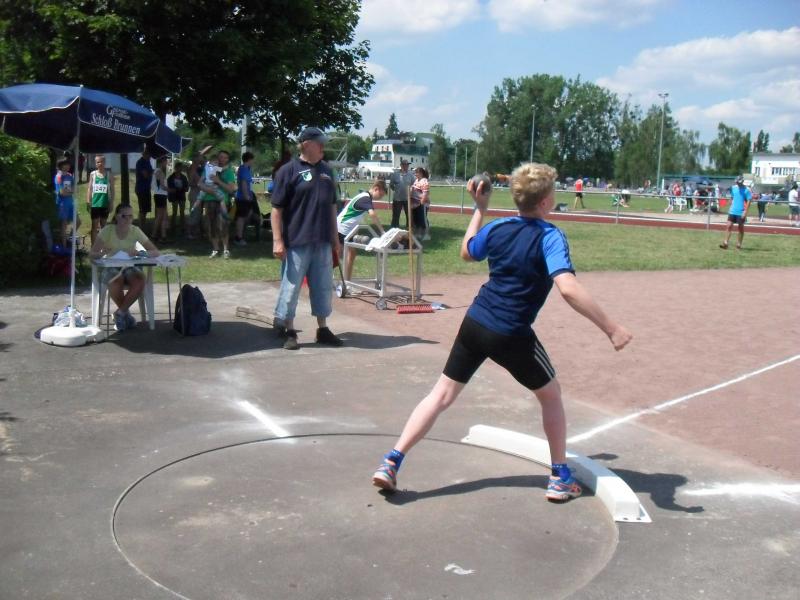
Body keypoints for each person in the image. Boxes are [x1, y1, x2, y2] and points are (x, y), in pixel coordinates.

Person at [371, 162, 633, 501]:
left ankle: (391, 461)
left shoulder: (499, 226)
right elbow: (567, 288)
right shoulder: (550, 236)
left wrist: (480, 211)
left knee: (441, 395)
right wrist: (611, 328)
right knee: (551, 395)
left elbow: (467, 251)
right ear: (544, 202)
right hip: (511, 333)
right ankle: (559, 476)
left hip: (476, 322)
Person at [271, 126, 342, 350]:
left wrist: (335, 238)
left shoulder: (327, 171)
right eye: (319, 142)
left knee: (322, 287)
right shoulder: (288, 171)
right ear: (306, 144)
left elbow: (332, 206)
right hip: (297, 240)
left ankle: (323, 328)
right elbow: (276, 209)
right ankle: (289, 329)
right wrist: (277, 241)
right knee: (291, 288)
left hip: (322, 240)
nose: (323, 146)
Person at [88, 204, 160, 332]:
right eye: (124, 216)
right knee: (116, 280)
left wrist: (139, 253)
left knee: (140, 280)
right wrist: (102, 253)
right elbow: (92, 254)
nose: (127, 219)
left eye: (130, 216)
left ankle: (120, 313)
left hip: (129, 266)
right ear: (116, 216)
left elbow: (155, 252)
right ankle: (125, 314)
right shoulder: (108, 230)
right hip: (111, 266)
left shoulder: (135, 230)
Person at [337, 178, 387, 282]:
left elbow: (356, 217)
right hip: (342, 228)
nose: (380, 198)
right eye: (381, 195)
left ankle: (347, 281)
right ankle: (341, 281)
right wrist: (382, 231)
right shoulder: (365, 198)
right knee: (340, 254)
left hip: (347, 229)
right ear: (376, 189)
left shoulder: (364, 196)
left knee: (350, 254)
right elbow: (372, 214)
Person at [200, 150, 235, 258]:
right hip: (209, 200)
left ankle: (225, 250)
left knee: (223, 225)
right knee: (211, 225)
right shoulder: (208, 169)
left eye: (225, 157)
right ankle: (215, 249)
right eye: (221, 157)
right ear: (217, 158)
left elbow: (231, 189)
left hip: (222, 201)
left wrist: (218, 181)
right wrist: (208, 190)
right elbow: (200, 183)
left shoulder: (229, 172)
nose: (222, 159)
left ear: (227, 160)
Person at [86, 155, 114, 246]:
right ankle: (93, 247)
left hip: (105, 204)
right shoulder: (93, 174)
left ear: (104, 162)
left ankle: (103, 246)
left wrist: (111, 203)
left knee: (104, 226)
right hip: (95, 204)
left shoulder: (109, 174)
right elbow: (90, 188)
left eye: (101, 161)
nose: (100, 163)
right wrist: (88, 201)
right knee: (94, 226)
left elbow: (112, 189)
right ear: (96, 163)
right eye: (98, 162)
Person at [719, 176, 752, 250]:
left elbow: (749, 201)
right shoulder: (733, 188)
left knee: (740, 228)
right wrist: (730, 205)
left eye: (739, 182)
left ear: (742, 181)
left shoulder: (747, 190)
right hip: (732, 211)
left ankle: (739, 244)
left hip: (741, 212)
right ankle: (725, 243)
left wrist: (745, 211)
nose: (737, 183)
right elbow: (732, 197)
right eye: (737, 182)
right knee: (729, 226)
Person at [54, 157, 80, 248]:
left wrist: (70, 191)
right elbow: (62, 193)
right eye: (66, 164)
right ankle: (64, 245)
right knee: (64, 225)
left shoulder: (69, 175)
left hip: (70, 202)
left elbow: (75, 189)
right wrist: (71, 191)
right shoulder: (58, 176)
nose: (68, 166)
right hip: (62, 204)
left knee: (78, 221)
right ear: (61, 165)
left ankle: (69, 238)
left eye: (69, 164)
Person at [234, 151, 256, 247]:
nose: (253, 162)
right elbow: (243, 184)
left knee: (246, 216)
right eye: (253, 160)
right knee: (241, 217)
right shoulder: (244, 169)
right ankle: (238, 238)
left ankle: (240, 235)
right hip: (242, 198)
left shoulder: (245, 168)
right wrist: (247, 196)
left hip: (245, 197)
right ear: (249, 159)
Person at [389, 159, 414, 229]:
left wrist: (411, 191)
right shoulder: (395, 174)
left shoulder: (411, 175)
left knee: (409, 215)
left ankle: (409, 229)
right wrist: (396, 190)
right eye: (405, 165)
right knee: (396, 215)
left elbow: (414, 184)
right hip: (397, 199)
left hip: (407, 199)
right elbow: (391, 185)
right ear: (401, 165)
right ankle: (394, 229)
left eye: (407, 165)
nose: (407, 166)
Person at [167, 161, 189, 236]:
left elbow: (187, 187)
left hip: (182, 195)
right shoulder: (171, 177)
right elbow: (169, 187)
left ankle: (183, 227)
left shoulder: (184, 177)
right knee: (174, 212)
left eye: (181, 168)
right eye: (178, 168)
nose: (179, 169)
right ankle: (172, 226)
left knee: (182, 212)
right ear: (175, 168)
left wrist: (183, 188)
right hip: (174, 196)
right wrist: (175, 189)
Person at [135, 147, 154, 230]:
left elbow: (149, 173)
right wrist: (151, 173)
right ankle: (140, 227)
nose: (150, 156)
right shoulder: (140, 162)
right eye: (149, 154)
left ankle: (143, 225)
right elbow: (145, 175)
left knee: (146, 209)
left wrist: (151, 173)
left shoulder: (148, 162)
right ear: (145, 154)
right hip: (141, 188)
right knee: (142, 209)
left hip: (147, 188)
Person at [151, 156, 169, 242]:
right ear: (162, 162)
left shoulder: (159, 171)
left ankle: (163, 235)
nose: (167, 163)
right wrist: (171, 190)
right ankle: (154, 235)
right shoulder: (159, 172)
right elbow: (162, 186)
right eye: (166, 161)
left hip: (161, 195)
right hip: (160, 195)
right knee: (160, 216)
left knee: (163, 216)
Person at [409, 166, 430, 241]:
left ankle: (426, 234)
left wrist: (422, 202)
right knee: (416, 219)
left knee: (423, 219)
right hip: (415, 204)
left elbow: (425, 193)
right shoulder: (416, 180)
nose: (415, 174)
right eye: (415, 172)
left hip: (422, 204)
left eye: (416, 172)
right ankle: (418, 233)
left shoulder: (424, 181)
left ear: (421, 173)